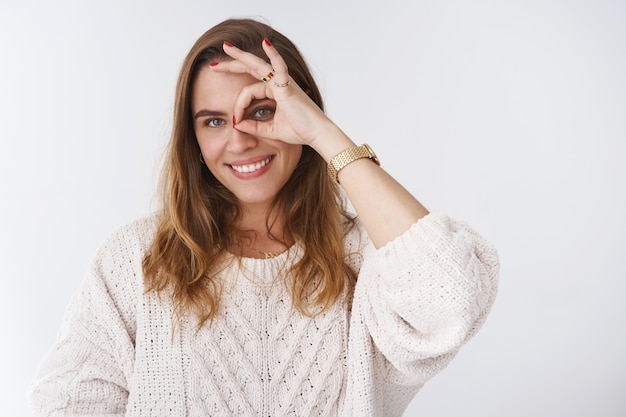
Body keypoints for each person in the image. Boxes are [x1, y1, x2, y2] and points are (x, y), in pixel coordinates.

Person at [28, 17, 499, 417]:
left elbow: (451, 299)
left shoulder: (368, 256)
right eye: (213, 121)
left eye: (262, 110)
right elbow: (67, 404)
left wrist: (325, 134)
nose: (240, 139)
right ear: (191, 137)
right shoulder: (134, 259)